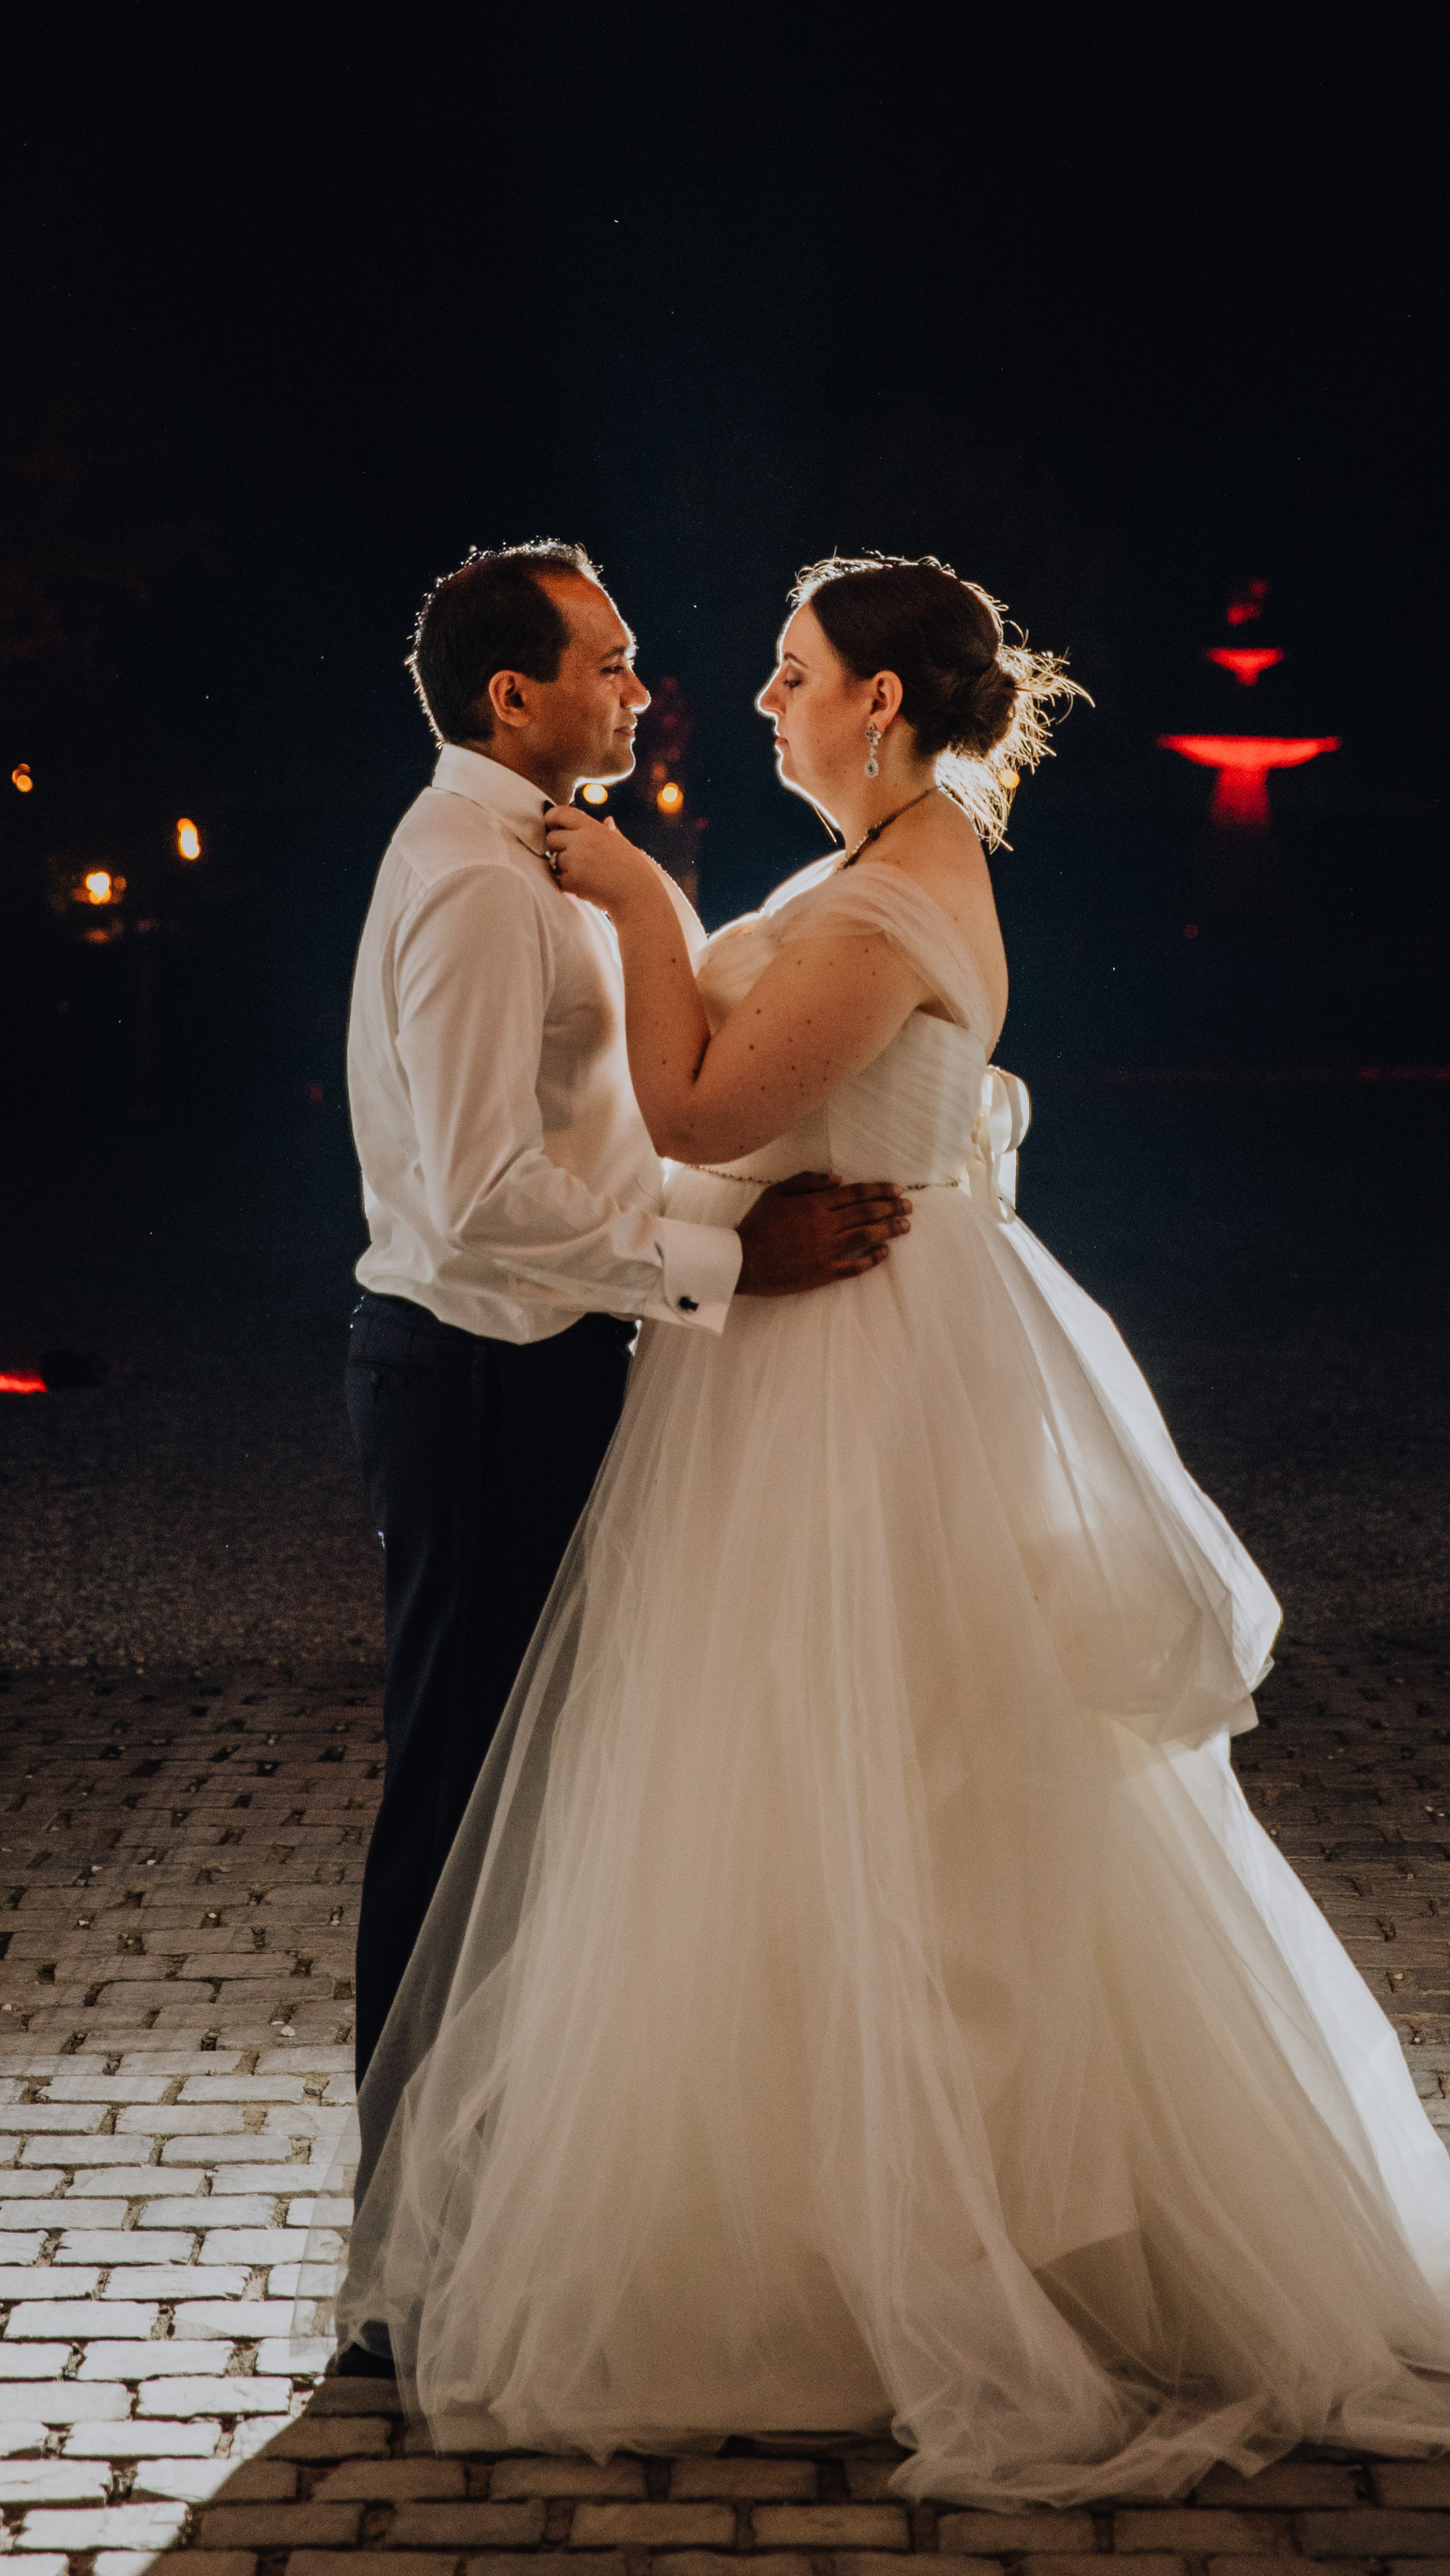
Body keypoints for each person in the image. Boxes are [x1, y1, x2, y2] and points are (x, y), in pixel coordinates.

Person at [336, 551, 1450, 2499]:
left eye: (787, 671)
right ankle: (661, 2212)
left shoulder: (889, 891)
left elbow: (695, 1109)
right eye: (646, 662)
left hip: (858, 1375)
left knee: (895, 1778)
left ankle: (917, 2229)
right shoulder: (779, 868)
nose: (742, 698)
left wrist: (654, 911)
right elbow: (586, 1154)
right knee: (726, 1782)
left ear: (881, 703)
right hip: (757, 1358)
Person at [338, 541, 911, 2377]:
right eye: (609, 663)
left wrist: (719, 1217)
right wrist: (729, 1266)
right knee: (458, 1802)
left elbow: (584, 1149)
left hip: (553, 1360)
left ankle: (503, 2210)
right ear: (510, 696)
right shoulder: (468, 882)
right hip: (477, 1382)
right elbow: (477, 1198)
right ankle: (402, 2263)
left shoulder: (543, 861)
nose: (641, 689)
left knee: (544, 1799)